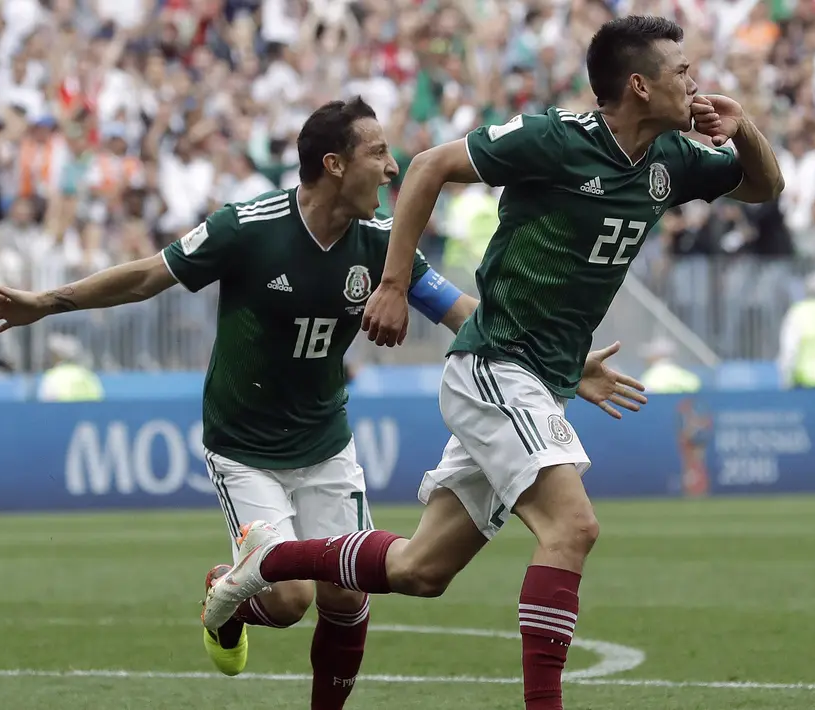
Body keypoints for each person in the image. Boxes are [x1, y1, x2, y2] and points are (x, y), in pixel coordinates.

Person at [0, 97, 645, 710]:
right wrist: (45, 304)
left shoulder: (382, 245)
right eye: (377, 153)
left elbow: (453, 308)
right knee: (289, 603)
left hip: (325, 442)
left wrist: (547, 359)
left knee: (349, 598)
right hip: (245, 448)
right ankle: (227, 601)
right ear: (333, 162)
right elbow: (150, 275)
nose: (391, 168)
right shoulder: (248, 226)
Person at [200, 15, 782, 710]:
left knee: (420, 570)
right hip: (496, 369)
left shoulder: (671, 159)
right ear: (638, 85)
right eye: (680, 71)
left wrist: (742, 127)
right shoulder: (554, 141)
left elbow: (761, 188)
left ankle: (265, 564)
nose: (694, 81)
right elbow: (429, 165)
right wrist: (390, 283)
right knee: (572, 528)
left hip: (541, 382)